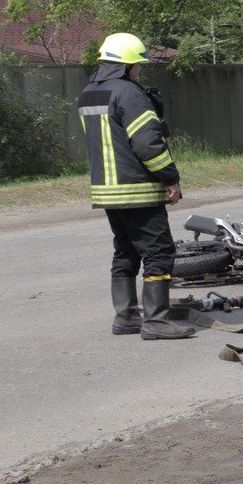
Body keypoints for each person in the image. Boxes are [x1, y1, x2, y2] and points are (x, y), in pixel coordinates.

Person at [78, 32, 196, 340]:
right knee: (159, 252)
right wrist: (170, 178)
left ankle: (126, 317)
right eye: (138, 65)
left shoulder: (88, 94)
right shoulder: (129, 93)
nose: (140, 70)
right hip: (137, 189)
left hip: (107, 191)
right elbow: (148, 144)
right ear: (128, 65)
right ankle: (156, 321)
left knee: (126, 251)